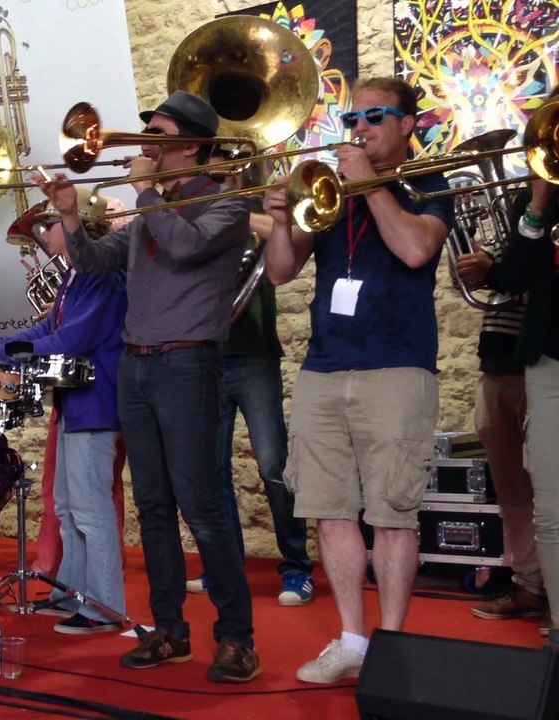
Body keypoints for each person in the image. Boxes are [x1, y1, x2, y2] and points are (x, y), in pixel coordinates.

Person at [41, 90, 259, 682]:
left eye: (154, 136)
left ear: (187, 145)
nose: (139, 147)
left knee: (202, 506)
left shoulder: (227, 204)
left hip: (189, 365)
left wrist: (144, 193)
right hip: (137, 367)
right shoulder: (148, 211)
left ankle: (237, 637)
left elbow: (186, 248)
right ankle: (170, 630)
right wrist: (67, 215)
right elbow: (93, 261)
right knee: (153, 507)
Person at [262, 77, 454, 683]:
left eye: (375, 116)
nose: (361, 127)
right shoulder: (331, 190)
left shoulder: (431, 182)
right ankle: (350, 640)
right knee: (330, 508)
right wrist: (283, 223)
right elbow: (281, 273)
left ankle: (391, 647)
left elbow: (415, 250)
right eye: (354, 117)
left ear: (407, 125)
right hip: (324, 366)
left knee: (394, 510)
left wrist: (369, 188)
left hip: (397, 364)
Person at [0, 191, 127, 634]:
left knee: (91, 509)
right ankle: (70, 592)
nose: (41, 233)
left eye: (49, 224)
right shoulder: (74, 277)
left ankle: (102, 608)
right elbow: (48, 327)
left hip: (97, 403)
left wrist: (3, 348)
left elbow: (72, 340)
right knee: (66, 504)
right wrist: (1, 346)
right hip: (76, 402)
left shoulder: (102, 277)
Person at [188, 210, 315, 606]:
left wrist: (235, 211)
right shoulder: (199, 213)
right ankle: (223, 566)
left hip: (254, 357)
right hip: (207, 356)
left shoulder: (260, 209)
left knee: (273, 465)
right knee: (212, 470)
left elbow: (294, 236)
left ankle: (296, 567)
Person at [479, 171, 559, 638]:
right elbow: (512, 277)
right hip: (549, 356)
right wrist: (540, 202)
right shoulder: (541, 202)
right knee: (549, 506)